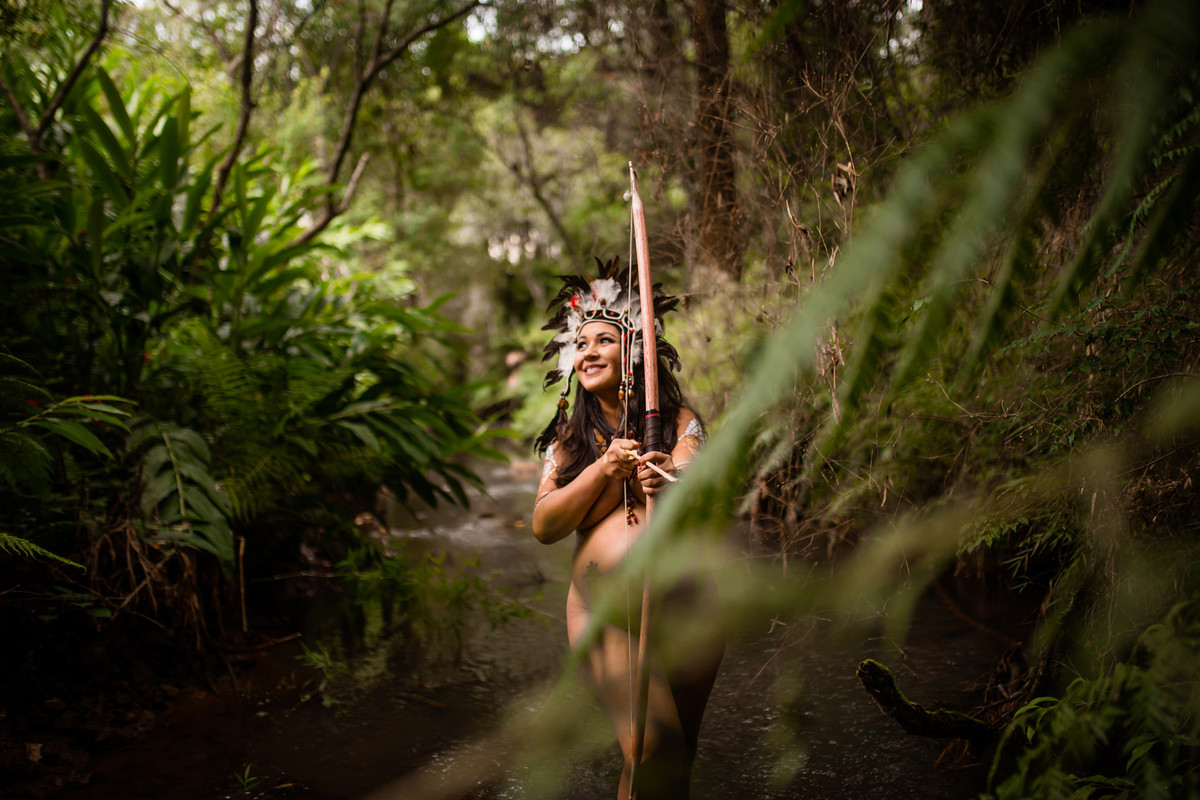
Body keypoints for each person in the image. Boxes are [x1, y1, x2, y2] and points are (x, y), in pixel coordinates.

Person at [531, 257, 723, 799]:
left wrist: (668, 478)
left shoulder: (677, 422)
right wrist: (603, 470)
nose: (588, 352)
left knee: (679, 760)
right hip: (608, 612)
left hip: (691, 609)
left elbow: (697, 476)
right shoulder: (568, 442)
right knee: (649, 751)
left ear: (635, 351)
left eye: (603, 341)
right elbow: (544, 525)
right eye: (580, 344)